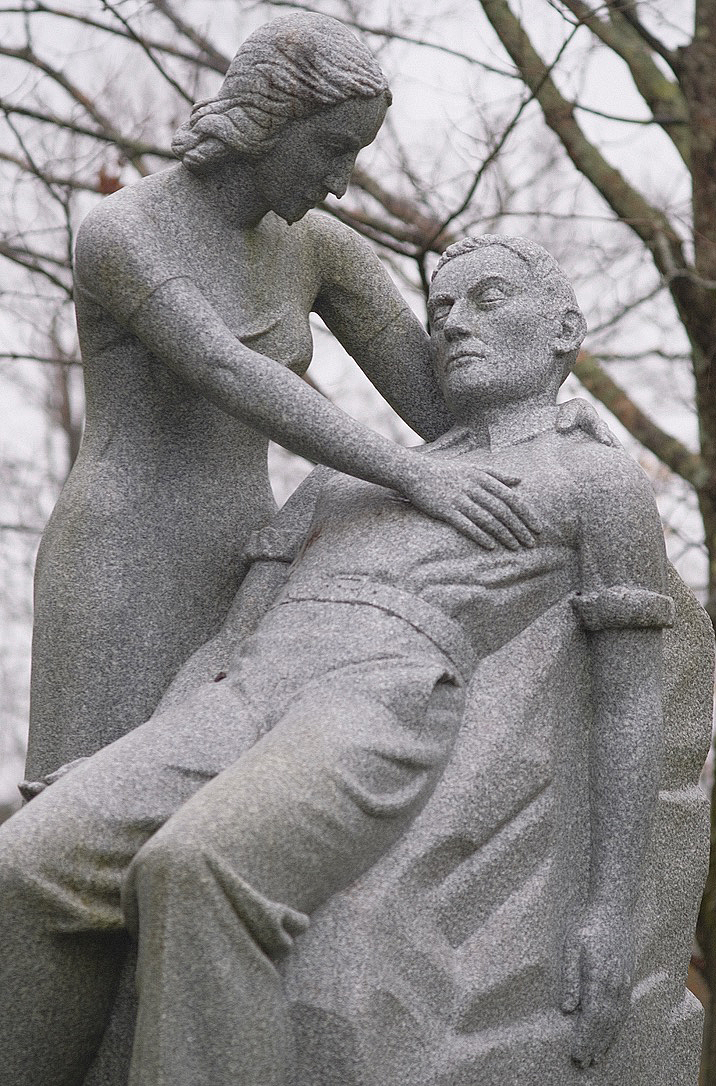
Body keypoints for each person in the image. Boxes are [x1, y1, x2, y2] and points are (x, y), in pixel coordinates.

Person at [1, 235, 672, 1085]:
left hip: (375, 700)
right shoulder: (348, 480)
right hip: (240, 695)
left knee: (200, 865)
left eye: (487, 299)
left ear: (562, 328)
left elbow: (629, 691)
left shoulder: (594, 481)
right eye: (441, 309)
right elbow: (226, 646)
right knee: (26, 864)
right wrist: (129, 754)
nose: (453, 324)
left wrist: (612, 913)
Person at [27, 13, 543, 779]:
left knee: (209, 809)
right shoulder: (123, 231)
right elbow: (229, 371)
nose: (339, 180)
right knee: (79, 810)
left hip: (252, 558)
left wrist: (544, 418)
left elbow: (438, 405)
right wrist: (408, 473)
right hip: (125, 553)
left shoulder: (319, 247)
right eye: (333, 149)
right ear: (271, 121)